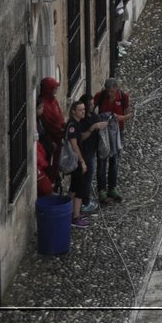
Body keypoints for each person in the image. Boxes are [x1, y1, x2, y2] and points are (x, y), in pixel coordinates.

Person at [65, 97, 104, 226]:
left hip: (76, 159)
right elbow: (74, 145)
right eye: (80, 110)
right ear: (73, 112)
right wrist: (82, 161)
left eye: (83, 109)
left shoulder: (77, 123)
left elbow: (81, 137)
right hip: (75, 160)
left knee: (74, 187)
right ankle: (75, 217)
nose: (83, 112)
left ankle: (68, 211)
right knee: (80, 188)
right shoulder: (72, 125)